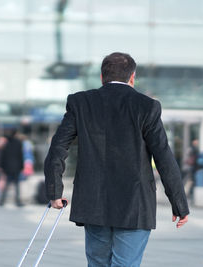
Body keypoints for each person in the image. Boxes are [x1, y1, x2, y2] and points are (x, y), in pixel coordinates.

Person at [44, 52, 190, 267]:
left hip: (93, 203)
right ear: (132, 77)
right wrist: (179, 204)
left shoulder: (81, 102)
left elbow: (58, 146)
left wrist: (54, 191)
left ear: (102, 77)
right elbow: (163, 156)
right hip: (134, 204)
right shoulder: (147, 106)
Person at [0, 129, 24, 207]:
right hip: (16, 167)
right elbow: (20, 156)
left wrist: (1, 166)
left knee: (7, 185)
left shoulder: (6, 143)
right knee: (17, 185)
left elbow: (2, 156)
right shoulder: (18, 143)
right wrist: (21, 166)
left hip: (8, 168)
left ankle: (2, 201)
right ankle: (18, 201)